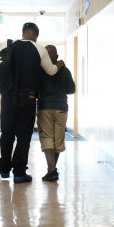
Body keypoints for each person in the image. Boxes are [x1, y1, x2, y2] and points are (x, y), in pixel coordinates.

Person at [0, 22, 65, 183]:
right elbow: (51, 71)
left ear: (22, 33)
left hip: (8, 97)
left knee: (7, 133)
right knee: (23, 135)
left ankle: (4, 168)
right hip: (28, 98)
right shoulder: (39, 48)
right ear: (36, 35)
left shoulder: (8, 46)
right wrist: (60, 64)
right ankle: (19, 173)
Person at [37, 45, 75, 181]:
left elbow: (35, 91)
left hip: (45, 108)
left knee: (47, 138)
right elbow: (71, 90)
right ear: (57, 57)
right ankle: (51, 171)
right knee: (58, 140)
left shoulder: (39, 71)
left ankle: (52, 170)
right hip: (61, 109)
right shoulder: (65, 71)